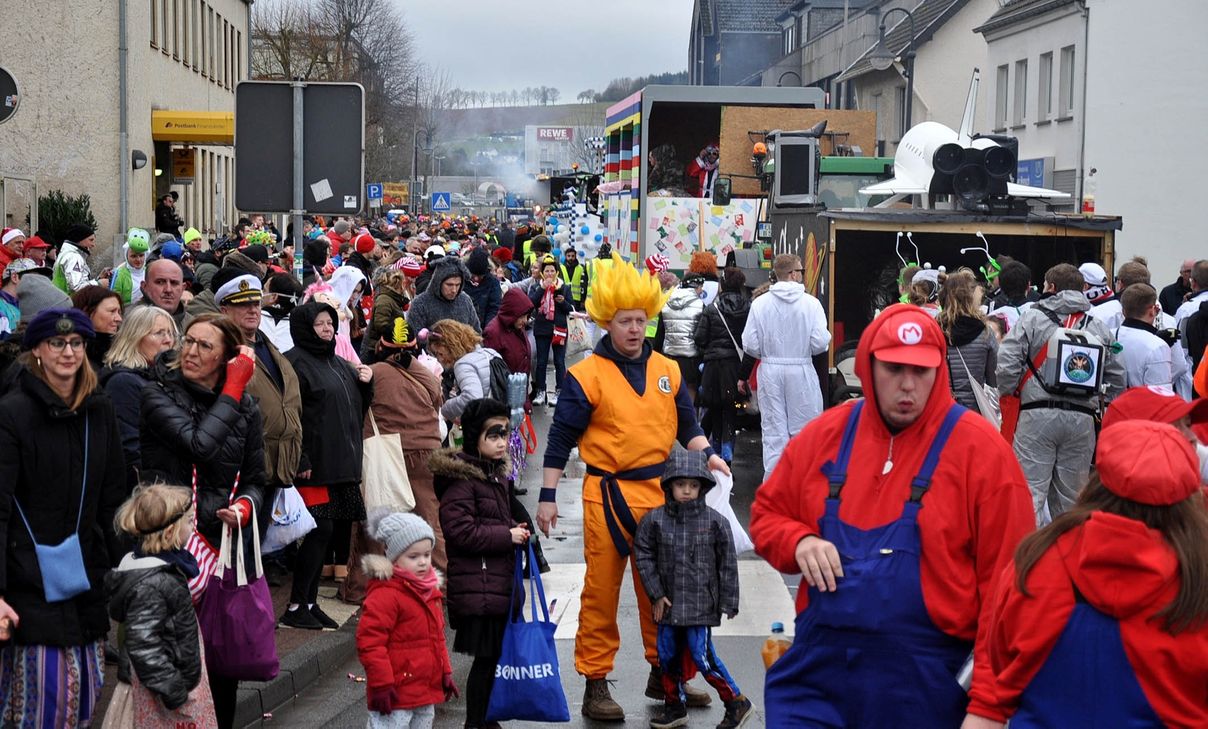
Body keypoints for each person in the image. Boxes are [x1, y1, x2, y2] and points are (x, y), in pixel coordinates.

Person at [749, 304, 1034, 727]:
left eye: (921, 370)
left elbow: (1009, 590)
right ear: (868, 365)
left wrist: (989, 706)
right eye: (894, 368)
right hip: (817, 675)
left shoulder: (982, 453)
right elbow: (766, 515)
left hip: (923, 683)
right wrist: (798, 540)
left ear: (939, 370)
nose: (907, 385)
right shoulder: (826, 434)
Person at [536, 254, 730, 720]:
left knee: (661, 591)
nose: (634, 329)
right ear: (608, 321)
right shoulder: (585, 376)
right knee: (601, 592)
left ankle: (665, 674)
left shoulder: (668, 369)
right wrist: (547, 497)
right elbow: (560, 440)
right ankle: (595, 682)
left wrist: (708, 454)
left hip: (659, 495)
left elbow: (687, 424)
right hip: (606, 495)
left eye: (641, 320)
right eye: (625, 321)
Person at [988, 420, 1208, 727]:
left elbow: (999, 662)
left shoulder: (1035, 561)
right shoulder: (1197, 585)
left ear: (1096, 483)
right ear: (1190, 499)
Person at [138, 313, 266, 729]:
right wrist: (233, 388)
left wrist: (245, 506)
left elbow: (256, 479)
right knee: (176, 666)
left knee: (220, 668)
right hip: (171, 549)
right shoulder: (158, 394)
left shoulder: (246, 408)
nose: (190, 351)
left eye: (204, 345)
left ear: (227, 357)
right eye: (188, 341)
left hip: (219, 549)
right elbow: (199, 446)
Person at [0, 308, 125, 726]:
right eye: (57, 343)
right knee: (40, 706)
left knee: (84, 699)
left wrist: (124, 567)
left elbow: (113, 499)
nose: (68, 352)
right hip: (27, 580)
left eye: (76, 343)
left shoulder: (99, 409)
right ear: (36, 350)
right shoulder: (13, 412)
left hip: (85, 576)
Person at [997, 263, 1125, 525]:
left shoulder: (1032, 318)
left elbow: (1008, 361)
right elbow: (1117, 375)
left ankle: (1027, 549)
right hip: (1082, 419)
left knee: (1029, 494)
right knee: (1073, 500)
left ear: (1052, 287)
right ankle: (1072, 548)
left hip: (1036, 415)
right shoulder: (1098, 327)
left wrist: (1011, 392)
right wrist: (1103, 404)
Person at [633, 450, 752, 729]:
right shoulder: (654, 521)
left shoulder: (715, 522)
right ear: (669, 485)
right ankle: (674, 706)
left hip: (700, 606)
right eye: (680, 484)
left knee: (703, 657)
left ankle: (736, 701)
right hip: (668, 605)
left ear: (702, 487)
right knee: (666, 656)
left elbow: (727, 564)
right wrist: (655, 593)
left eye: (694, 485)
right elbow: (643, 555)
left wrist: (729, 601)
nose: (687, 491)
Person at [433, 398, 530, 729]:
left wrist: (517, 528)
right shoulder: (462, 480)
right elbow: (460, 532)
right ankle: (476, 723)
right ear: (475, 436)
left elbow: (495, 518)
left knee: (494, 659)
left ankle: (486, 721)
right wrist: (507, 535)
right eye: (494, 434)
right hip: (479, 587)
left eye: (505, 433)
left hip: (494, 584)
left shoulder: (495, 475)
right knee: (486, 662)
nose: (502, 441)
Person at [282, 302, 372, 627]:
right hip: (314, 464)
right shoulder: (294, 363)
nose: (327, 328)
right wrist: (301, 456)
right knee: (319, 531)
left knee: (326, 532)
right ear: (305, 327)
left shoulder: (337, 362)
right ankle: (296, 606)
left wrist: (367, 384)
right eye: (319, 323)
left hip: (338, 461)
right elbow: (291, 416)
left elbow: (356, 407)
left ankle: (309, 601)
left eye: (330, 323)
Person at [106, 483, 216, 724]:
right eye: (189, 521)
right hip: (157, 697)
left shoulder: (161, 572)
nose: (193, 527)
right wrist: (175, 690)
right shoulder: (152, 583)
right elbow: (144, 645)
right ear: (170, 533)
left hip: (168, 687)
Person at [216, 271, 303, 541]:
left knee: (257, 542)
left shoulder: (266, 343)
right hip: (239, 466)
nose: (252, 309)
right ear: (224, 310)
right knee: (237, 547)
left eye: (255, 303)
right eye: (243, 304)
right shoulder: (223, 349)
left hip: (274, 463)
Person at [357, 511, 456, 729]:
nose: (422, 562)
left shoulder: (429, 590)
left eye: (427, 555)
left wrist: (445, 672)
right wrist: (381, 684)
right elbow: (370, 642)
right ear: (394, 557)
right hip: (394, 692)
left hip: (424, 690)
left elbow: (437, 637)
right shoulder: (386, 593)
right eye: (413, 557)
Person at [362, 319, 446, 573]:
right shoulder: (425, 374)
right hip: (428, 451)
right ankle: (440, 580)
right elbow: (437, 399)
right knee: (429, 518)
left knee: (378, 520)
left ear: (381, 346)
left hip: (387, 455)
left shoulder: (371, 373)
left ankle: (371, 582)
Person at [741, 254, 831, 479]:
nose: (802, 275)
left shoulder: (760, 304)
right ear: (793, 274)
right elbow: (820, 343)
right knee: (805, 429)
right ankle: (804, 482)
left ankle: (774, 485)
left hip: (770, 370)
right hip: (801, 368)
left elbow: (751, 344)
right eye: (801, 271)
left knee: (774, 432)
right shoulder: (811, 304)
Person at [101, 305, 179, 489]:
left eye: (171, 333)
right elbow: (130, 450)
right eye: (159, 333)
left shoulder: (166, 379)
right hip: (147, 492)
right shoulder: (123, 383)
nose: (168, 340)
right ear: (134, 337)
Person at [694, 268, 750, 463]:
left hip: (713, 367)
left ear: (722, 285)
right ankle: (728, 449)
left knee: (715, 407)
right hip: (736, 367)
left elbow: (700, 338)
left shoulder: (712, 308)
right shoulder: (748, 307)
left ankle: (716, 451)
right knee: (731, 408)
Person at [483, 287, 536, 486]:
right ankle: (504, 486)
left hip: (516, 395)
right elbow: (491, 371)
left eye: (527, 316)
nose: (525, 321)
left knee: (512, 443)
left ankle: (510, 484)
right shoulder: (493, 332)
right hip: (502, 398)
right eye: (522, 316)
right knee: (501, 445)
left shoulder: (517, 329)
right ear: (512, 313)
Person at [937, 269, 998, 411]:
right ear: (971, 298)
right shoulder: (985, 333)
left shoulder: (934, 331)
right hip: (974, 410)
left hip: (941, 408)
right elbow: (994, 380)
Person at [529, 255, 573, 406]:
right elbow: (530, 304)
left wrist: (563, 302)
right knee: (541, 362)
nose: (549, 274)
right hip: (542, 329)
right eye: (546, 271)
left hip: (559, 328)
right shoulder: (536, 287)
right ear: (542, 273)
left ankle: (560, 391)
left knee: (559, 362)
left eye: (552, 271)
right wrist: (542, 289)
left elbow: (571, 309)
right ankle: (541, 391)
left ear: (557, 272)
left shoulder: (564, 287)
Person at [1115, 283, 1174, 388]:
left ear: (1123, 312)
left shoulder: (1108, 336)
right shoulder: (1158, 346)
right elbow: (1160, 393)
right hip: (1141, 398)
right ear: (1152, 311)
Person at [406, 256, 481, 335]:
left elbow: (476, 333)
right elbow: (412, 336)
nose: (454, 290)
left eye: (458, 285)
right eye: (449, 285)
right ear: (439, 282)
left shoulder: (465, 300)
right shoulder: (420, 304)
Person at [659, 274, 705, 400]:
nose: (702, 291)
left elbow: (661, 332)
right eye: (701, 287)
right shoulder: (700, 305)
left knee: (669, 390)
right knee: (690, 391)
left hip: (669, 355)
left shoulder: (665, 302)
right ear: (696, 287)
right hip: (691, 357)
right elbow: (702, 335)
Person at [71, 285, 123, 369]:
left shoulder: (119, 350)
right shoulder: (70, 355)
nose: (119, 318)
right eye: (112, 311)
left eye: (119, 312)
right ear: (87, 312)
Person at [54, 223, 109, 294]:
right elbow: (76, 287)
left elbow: (78, 283)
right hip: (69, 300)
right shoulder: (73, 257)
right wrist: (98, 284)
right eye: (91, 240)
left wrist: (99, 279)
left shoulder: (67, 254)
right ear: (80, 239)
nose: (93, 244)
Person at [138, 258, 189, 330]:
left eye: (174, 283)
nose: (168, 290)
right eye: (160, 282)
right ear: (145, 287)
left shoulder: (193, 326)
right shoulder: (127, 321)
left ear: (183, 288)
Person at [464, 247, 502, 330]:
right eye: (473, 276)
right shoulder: (460, 279)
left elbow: (494, 308)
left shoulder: (493, 283)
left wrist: (488, 329)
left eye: (480, 276)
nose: (476, 279)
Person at [110, 228, 151, 305]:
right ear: (126, 256)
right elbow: (114, 298)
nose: (138, 259)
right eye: (133, 256)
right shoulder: (120, 274)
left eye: (141, 255)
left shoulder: (149, 272)